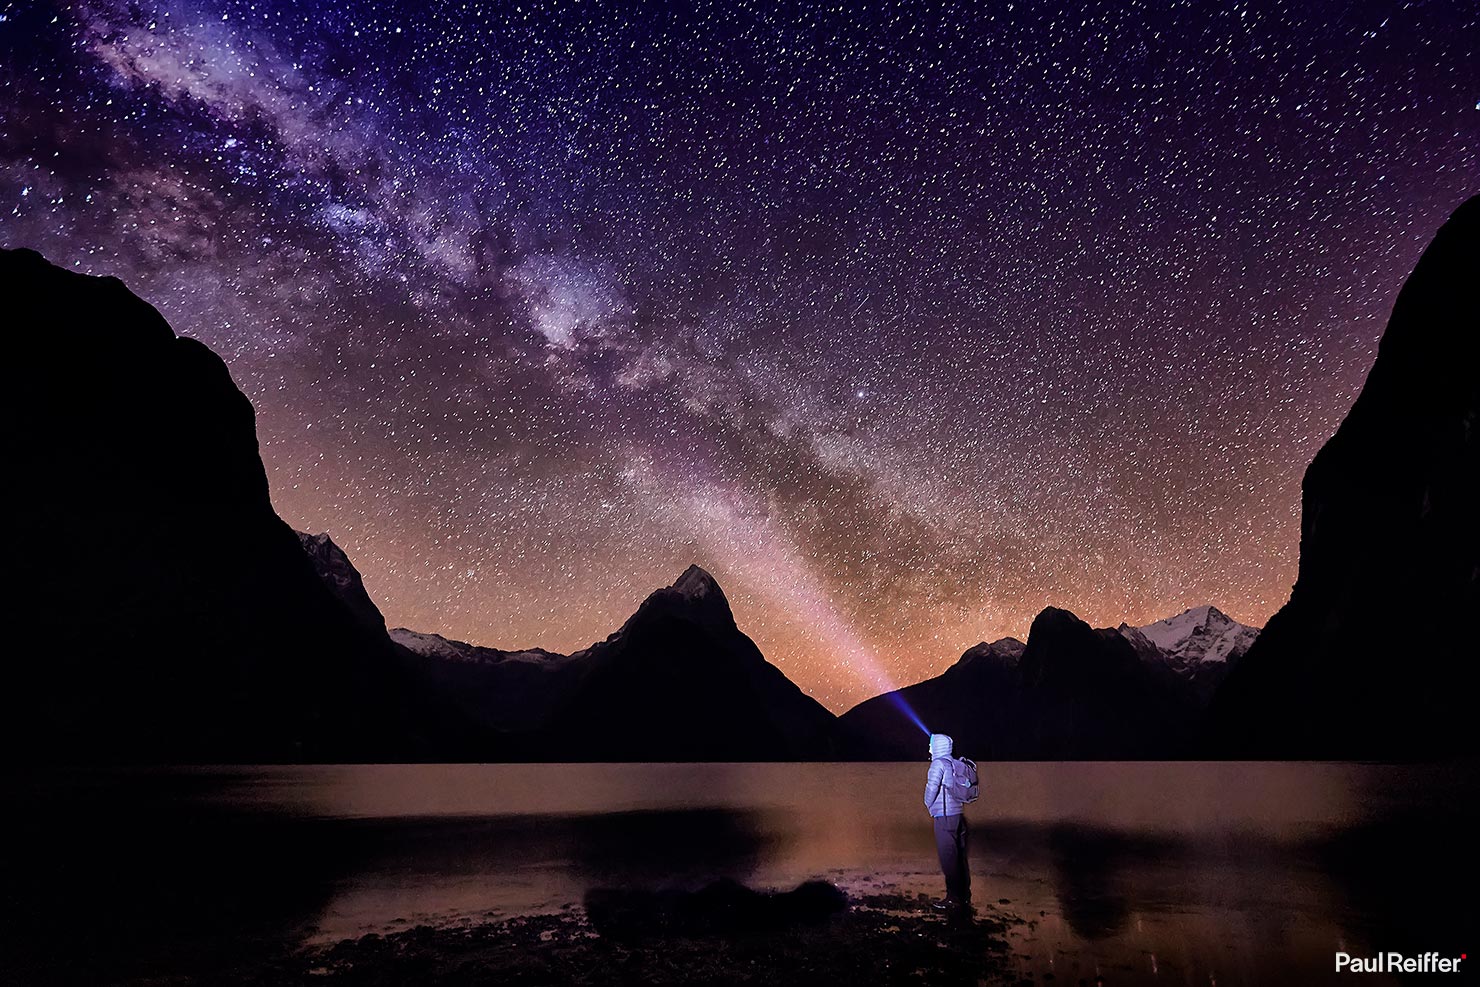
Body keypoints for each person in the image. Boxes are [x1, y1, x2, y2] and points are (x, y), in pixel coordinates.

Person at [923, 732, 970, 910]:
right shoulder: (955, 763)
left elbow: (931, 788)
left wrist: (927, 804)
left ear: (938, 747)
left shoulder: (938, 764)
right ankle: (964, 896)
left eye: (931, 744)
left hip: (944, 817)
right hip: (958, 815)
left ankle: (953, 898)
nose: (929, 748)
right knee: (960, 857)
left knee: (948, 858)